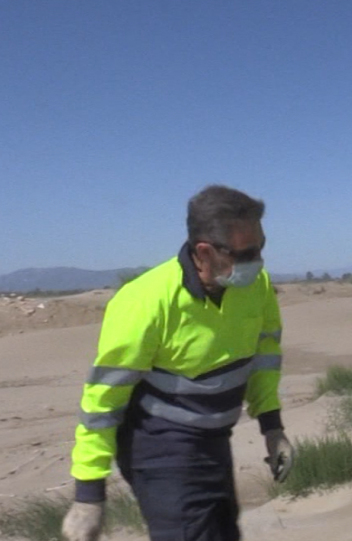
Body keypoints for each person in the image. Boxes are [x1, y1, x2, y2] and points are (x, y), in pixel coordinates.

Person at [61, 185, 294, 541]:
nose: (258, 262)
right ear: (204, 252)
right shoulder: (144, 302)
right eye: (246, 253)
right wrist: (88, 494)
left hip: (215, 439)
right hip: (158, 445)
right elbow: (103, 400)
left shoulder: (256, 286)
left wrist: (272, 428)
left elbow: (264, 358)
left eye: (261, 248)